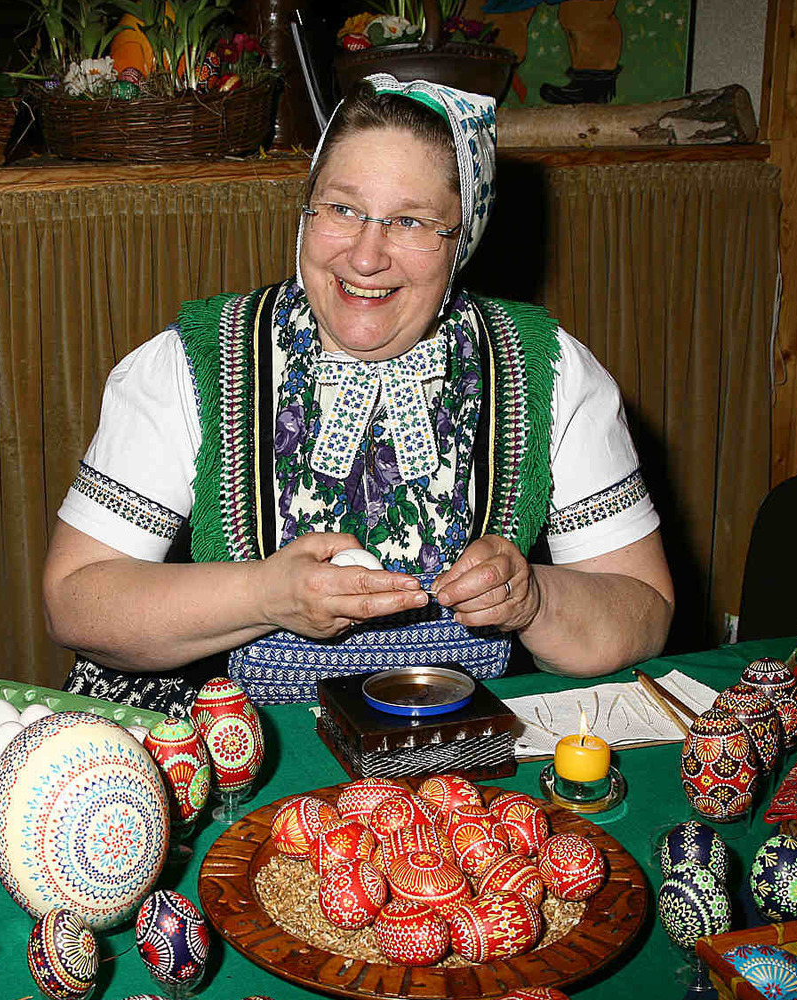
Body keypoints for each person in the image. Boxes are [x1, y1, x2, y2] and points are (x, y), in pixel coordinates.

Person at [43, 76, 674, 715]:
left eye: (410, 221)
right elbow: (74, 600)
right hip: (233, 748)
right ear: (305, 212)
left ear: (462, 241)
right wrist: (264, 596)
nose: (367, 257)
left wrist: (533, 599)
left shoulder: (546, 368)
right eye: (342, 209)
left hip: (454, 754)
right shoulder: (195, 360)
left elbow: (643, 610)